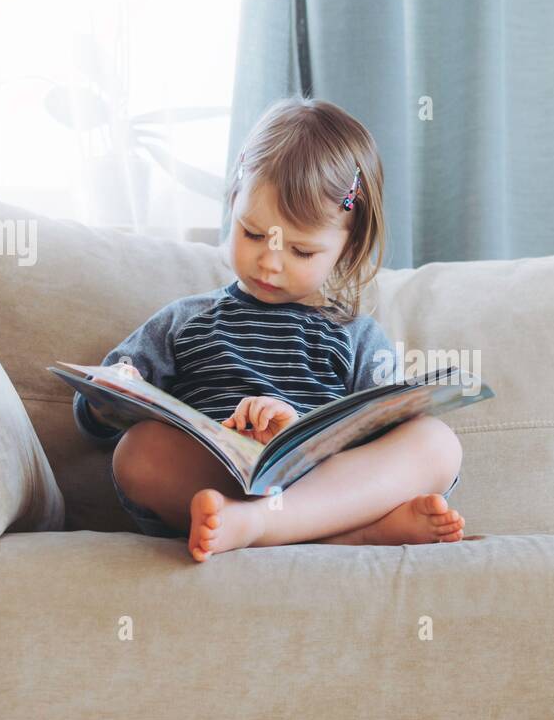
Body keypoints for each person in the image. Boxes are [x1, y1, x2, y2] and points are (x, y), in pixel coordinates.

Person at [73, 97, 465, 561]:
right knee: (136, 451)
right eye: (253, 234)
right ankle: (347, 536)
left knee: (437, 443)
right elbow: (96, 415)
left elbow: (384, 440)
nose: (270, 262)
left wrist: (297, 432)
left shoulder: (356, 336)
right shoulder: (185, 319)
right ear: (233, 201)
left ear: (347, 247)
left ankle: (264, 525)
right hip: (216, 484)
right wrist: (110, 396)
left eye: (301, 252)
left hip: (319, 490)